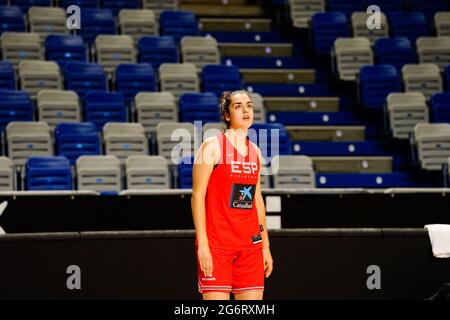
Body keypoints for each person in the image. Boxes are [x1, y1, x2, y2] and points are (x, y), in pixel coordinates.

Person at [191, 90, 273, 300]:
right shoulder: (211, 146)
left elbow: (257, 200)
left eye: (249, 105)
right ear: (227, 115)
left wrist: (265, 246)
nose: (245, 110)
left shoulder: (255, 150)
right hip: (218, 246)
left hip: (250, 247)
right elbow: (197, 196)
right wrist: (203, 245)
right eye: (238, 106)